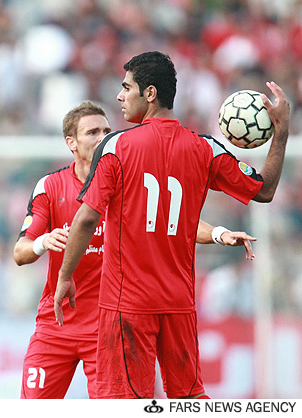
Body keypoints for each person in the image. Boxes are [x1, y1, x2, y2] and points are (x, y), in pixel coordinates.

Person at [55, 51, 289, 399]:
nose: (120, 96)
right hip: (179, 302)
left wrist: (64, 276)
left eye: (127, 88)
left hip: (128, 304)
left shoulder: (117, 146)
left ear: (150, 93)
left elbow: (88, 217)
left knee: (124, 403)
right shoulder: (205, 149)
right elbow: (264, 190)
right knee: (189, 399)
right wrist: (281, 132)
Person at [15, 101, 257, 399]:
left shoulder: (125, 176)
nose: (102, 137)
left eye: (106, 130)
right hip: (56, 325)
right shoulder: (50, 187)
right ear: (71, 143)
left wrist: (219, 233)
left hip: (107, 330)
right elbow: (20, 252)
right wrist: (43, 242)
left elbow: (174, 221)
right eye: (92, 132)